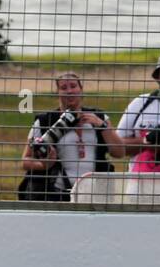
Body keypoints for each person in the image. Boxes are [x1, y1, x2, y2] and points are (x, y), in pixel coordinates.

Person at [19, 72, 122, 201]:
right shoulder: (45, 121)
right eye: (63, 88)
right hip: (55, 194)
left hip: (94, 195)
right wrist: (45, 165)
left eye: (73, 86)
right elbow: (25, 161)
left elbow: (119, 152)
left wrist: (102, 126)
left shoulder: (99, 117)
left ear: (81, 89)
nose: (69, 91)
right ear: (57, 92)